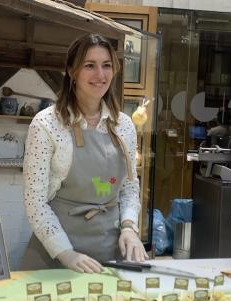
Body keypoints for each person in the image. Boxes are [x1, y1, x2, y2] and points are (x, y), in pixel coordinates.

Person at [19, 33, 148, 274]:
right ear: (72, 71)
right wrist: (65, 253)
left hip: (111, 255)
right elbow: (34, 202)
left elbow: (129, 187)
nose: (100, 75)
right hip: (56, 256)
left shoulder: (125, 126)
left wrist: (129, 227)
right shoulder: (47, 124)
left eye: (106, 65)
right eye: (90, 65)